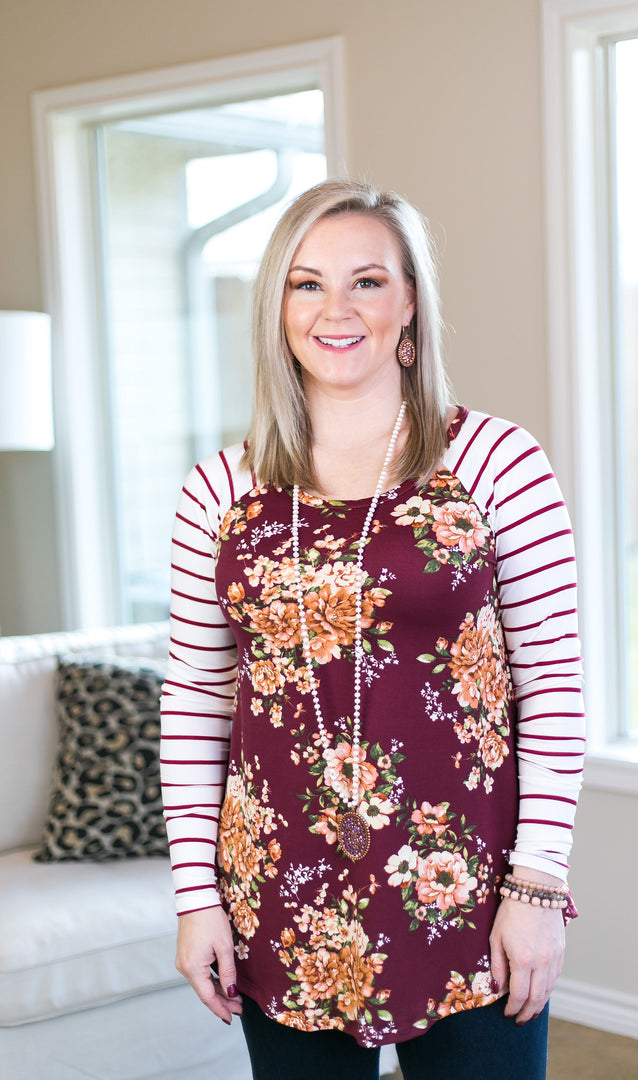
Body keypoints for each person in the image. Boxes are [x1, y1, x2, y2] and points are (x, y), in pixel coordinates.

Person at [160, 177, 584, 1080]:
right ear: (277, 307)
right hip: (277, 898)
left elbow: (552, 686)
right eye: (306, 283)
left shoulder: (497, 462)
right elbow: (196, 701)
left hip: (471, 898)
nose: (335, 310)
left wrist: (538, 886)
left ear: (410, 303)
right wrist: (198, 899)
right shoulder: (218, 490)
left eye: (367, 281)